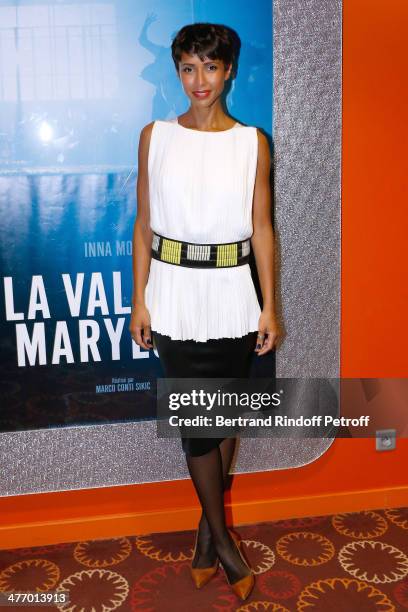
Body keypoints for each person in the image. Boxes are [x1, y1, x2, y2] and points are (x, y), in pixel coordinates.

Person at [129, 22, 279, 601]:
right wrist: (139, 296)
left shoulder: (251, 143)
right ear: (178, 72)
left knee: (226, 414)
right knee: (198, 422)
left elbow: (263, 229)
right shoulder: (155, 137)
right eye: (189, 68)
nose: (200, 80)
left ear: (229, 71)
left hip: (233, 295)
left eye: (210, 68)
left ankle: (202, 536)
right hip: (173, 293)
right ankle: (224, 544)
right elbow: (143, 224)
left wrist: (270, 306)